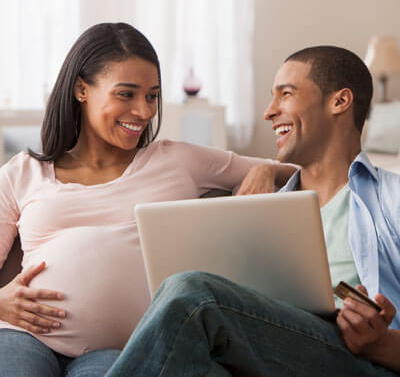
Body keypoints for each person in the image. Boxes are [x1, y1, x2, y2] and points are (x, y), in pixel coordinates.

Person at [0, 22, 293, 376]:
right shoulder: (22, 172)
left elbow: (301, 170)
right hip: (23, 337)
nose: (144, 111)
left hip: (123, 348)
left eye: (152, 96)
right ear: (82, 89)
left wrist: (263, 171)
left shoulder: (178, 160)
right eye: (126, 94)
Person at [105, 46, 400, 377]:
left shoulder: (391, 198)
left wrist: (380, 344)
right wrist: (270, 172)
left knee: (192, 292)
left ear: (339, 102)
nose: (269, 112)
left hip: (354, 361)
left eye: (285, 94)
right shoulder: (265, 207)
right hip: (262, 356)